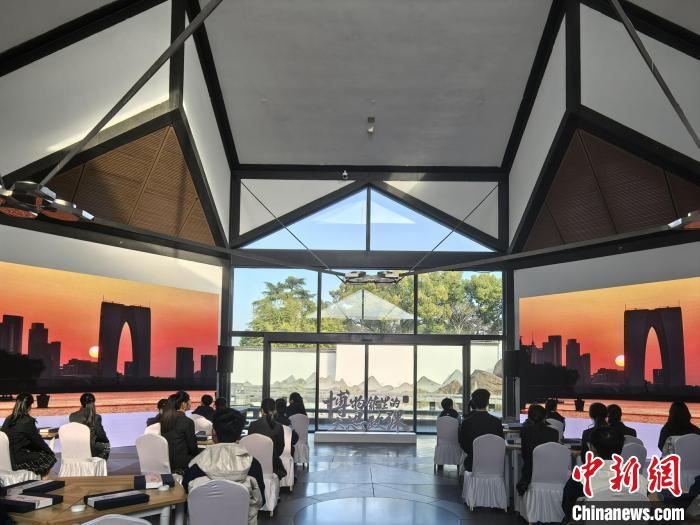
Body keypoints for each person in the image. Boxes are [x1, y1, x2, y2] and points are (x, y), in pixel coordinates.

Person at [183, 408, 264, 525]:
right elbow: (261, 500)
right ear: (240, 434)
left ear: (213, 432)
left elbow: (187, 498)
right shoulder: (253, 464)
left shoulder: (196, 464)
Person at [562, 426, 647, 521]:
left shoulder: (579, 478)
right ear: (621, 448)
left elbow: (568, 509)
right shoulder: (640, 480)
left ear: (592, 448)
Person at [0, 393, 56, 477]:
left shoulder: (8, 419)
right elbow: (38, 441)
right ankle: (43, 482)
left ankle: (34, 478)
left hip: (5, 459)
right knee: (49, 457)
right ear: (30, 406)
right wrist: (50, 452)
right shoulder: (28, 421)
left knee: (34, 455)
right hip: (17, 460)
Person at [517, 404, 559, 496]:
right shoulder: (554, 433)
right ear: (545, 417)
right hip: (549, 472)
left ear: (529, 417)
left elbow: (525, 455)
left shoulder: (524, 431)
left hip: (529, 473)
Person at [458, 389, 503, 471]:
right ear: (488, 403)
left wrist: (473, 452)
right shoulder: (497, 422)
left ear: (474, 403)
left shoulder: (466, 422)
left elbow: (463, 444)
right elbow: (500, 442)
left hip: (472, 463)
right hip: (493, 463)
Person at [160, 391, 200, 474]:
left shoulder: (165, 419)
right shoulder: (187, 421)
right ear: (183, 404)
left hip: (166, 461)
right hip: (181, 464)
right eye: (189, 400)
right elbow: (192, 447)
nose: (191, 402)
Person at [248, 398, 287, 479]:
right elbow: (280, 448)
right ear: (275, 410)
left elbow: (249, 446)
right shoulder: (279, 426)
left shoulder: (253, 425)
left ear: (262, 410)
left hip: (254, 465)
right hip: (272, 465)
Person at [68, 392, 110, 459]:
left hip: (76, 447)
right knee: (107, 445)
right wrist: (106, 441)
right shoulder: (96, 417)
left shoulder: (72, 416)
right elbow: (101, 435)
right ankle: (99, 465)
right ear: (93, 402)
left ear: (81, 402)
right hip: (90, 449)